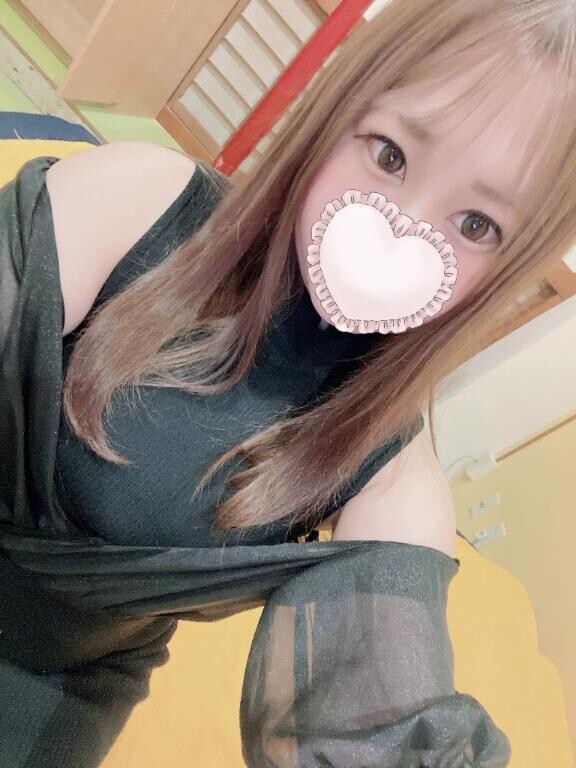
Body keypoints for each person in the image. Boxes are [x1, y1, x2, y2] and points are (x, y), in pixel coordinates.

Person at [1, 0, 574, 764]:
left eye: (475, 226)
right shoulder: (140, 203)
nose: (398, 229)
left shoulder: (389, 478)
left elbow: (380, 728)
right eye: (389, 155)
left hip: (53, 681)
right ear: (338, 111)